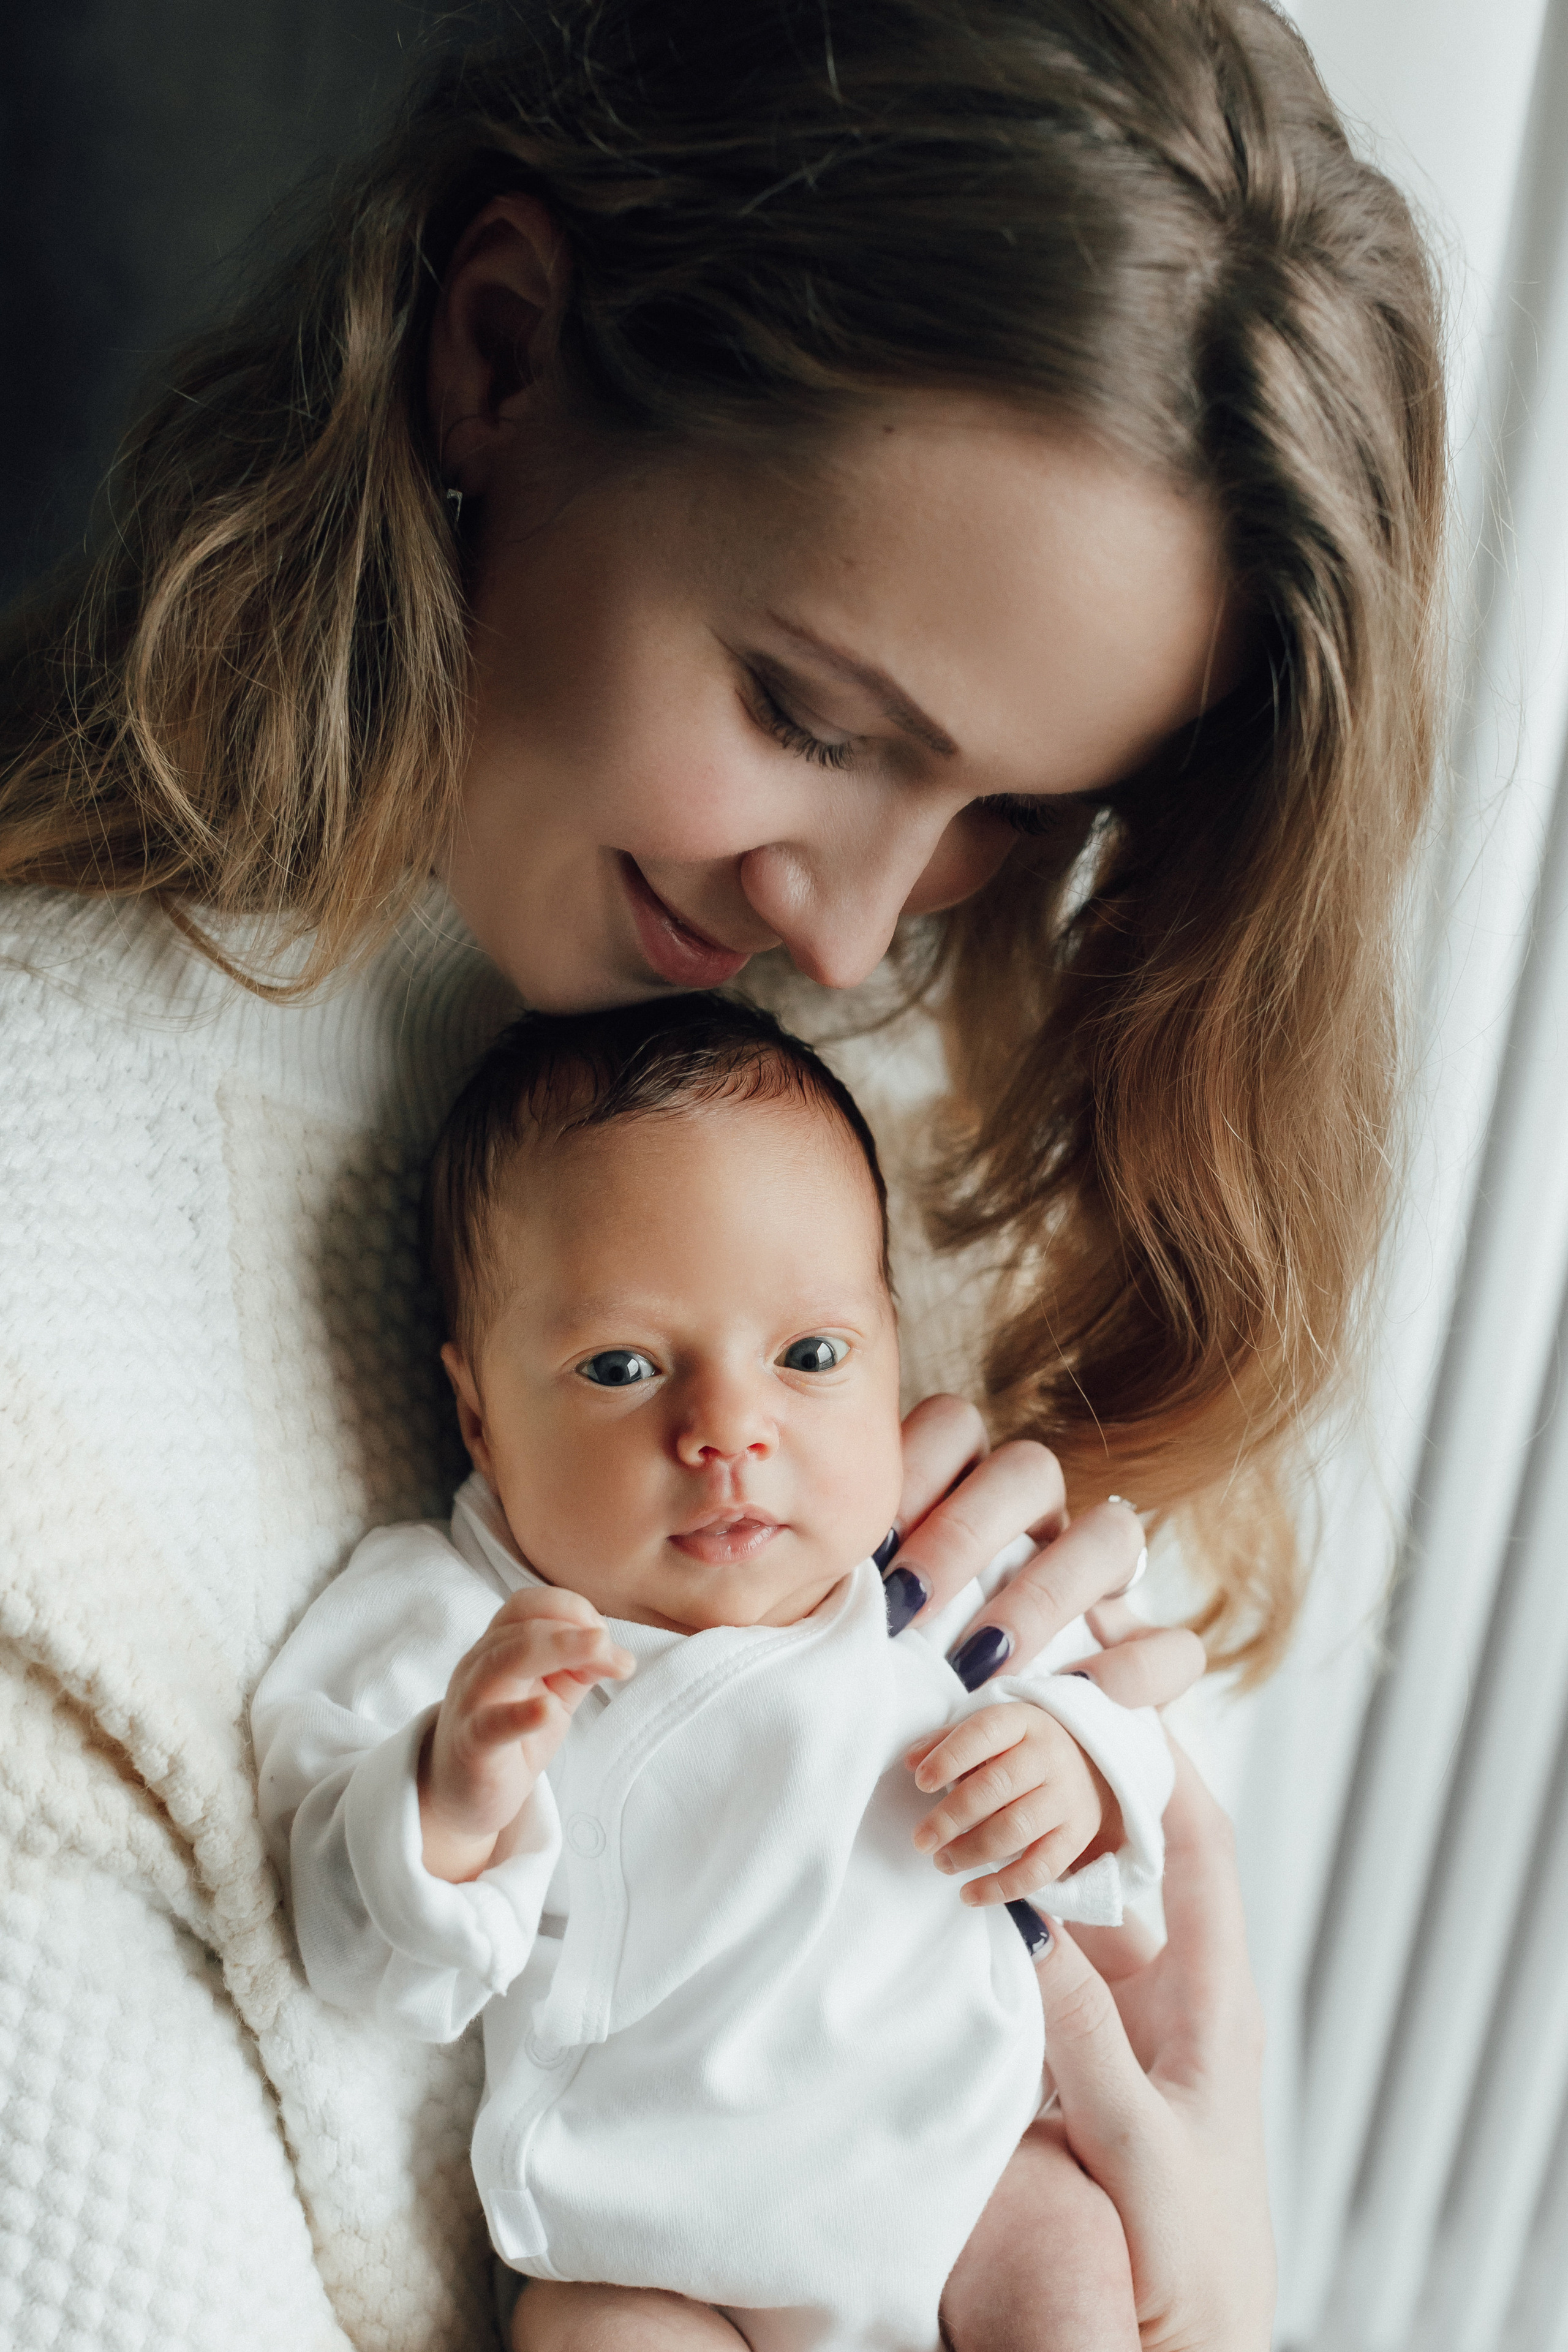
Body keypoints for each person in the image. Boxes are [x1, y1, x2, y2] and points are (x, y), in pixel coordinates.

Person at [0, 1, 1441, 2345]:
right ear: (498, 356)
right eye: (810, 715)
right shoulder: (48, 1272)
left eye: (1004, 817)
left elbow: (1137, 2090)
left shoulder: (939, 1172)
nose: (855, 931)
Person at [254, 993, 1178, 2350]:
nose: (728, 1431)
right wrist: (445, 1799)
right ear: (475, 1413)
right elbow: (343, 1942)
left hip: (965, 2170)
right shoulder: (460, 1620)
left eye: (808, 1357)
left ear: (888, 1355)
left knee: (1072, 2265)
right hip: (655, 2250)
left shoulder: (923, 1571)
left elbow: (1124, 1726)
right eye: (621, 1368)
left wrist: (1077, 1765)